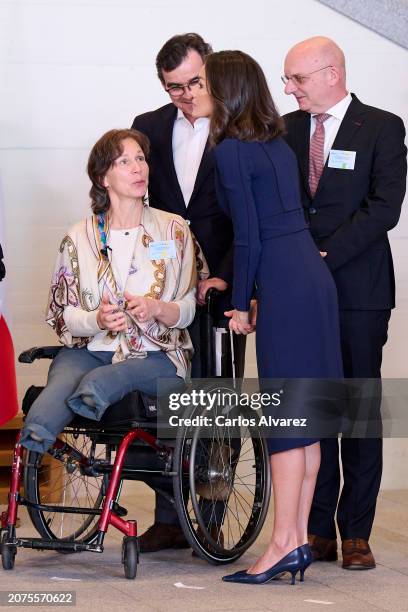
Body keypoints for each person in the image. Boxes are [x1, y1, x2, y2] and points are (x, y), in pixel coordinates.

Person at [190, 50, 344, 585]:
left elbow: (249, 235)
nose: (198, 89)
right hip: (313, 280)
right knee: (309, 419)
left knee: (285, 417)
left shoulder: (232, 150)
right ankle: (297, 539)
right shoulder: (276, 143)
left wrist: (241, 301)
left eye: (205, 82)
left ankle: (280, 545)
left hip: (283, 281)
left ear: (226, 89)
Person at [282, 36, 407, 570]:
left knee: (356, 410)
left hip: (359, 292)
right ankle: (317, 529)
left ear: (331, 73)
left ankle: (355, 532)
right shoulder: (285, 131)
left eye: (297, 79)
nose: (289, 89)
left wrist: (325, 255)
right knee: (314, 407)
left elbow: (384, 208)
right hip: (302, 295)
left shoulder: (382, 126)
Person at [131, 33, 247, 552]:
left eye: (194, 82)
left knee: (217, 404)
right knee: (170, 400)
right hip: (167, 289)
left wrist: (222, 273)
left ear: (212, 72)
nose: (185, 94)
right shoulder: (149, 127)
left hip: (225, 283)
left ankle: (212, 516)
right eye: (173, 86)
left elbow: (249, 218)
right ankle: (170, 517)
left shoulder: (238, 125)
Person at [21, 128, 196, 453]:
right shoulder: (79, 236)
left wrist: (156, 307)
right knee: (56, 390)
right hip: (89, 349)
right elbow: (64, 315)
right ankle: (33, 446)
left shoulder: (174, 230)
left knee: (99, 383)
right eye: (124, 161)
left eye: (141, 159)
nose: (137, 168)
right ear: (103, 177)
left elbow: (187, 307)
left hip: (156, 354)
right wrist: (98, 319)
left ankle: (90, 401)